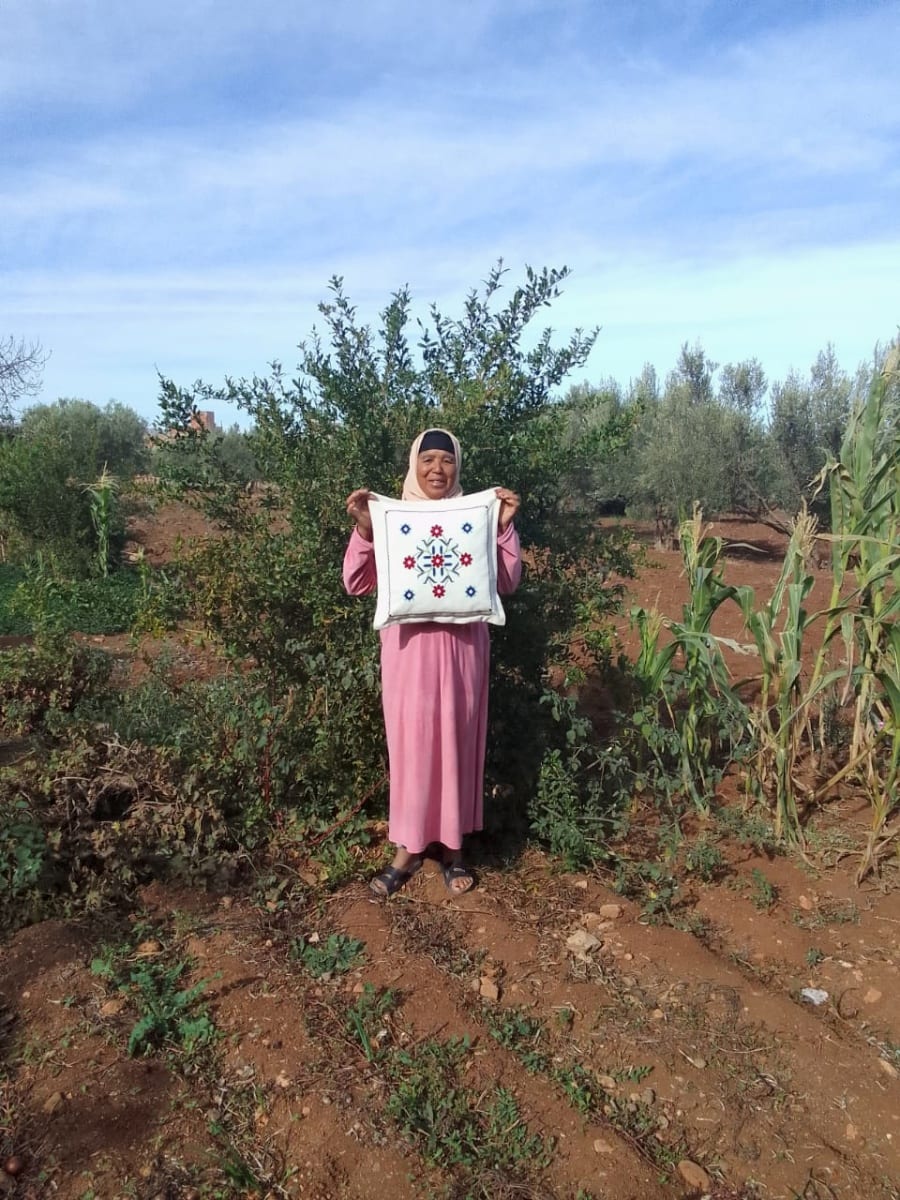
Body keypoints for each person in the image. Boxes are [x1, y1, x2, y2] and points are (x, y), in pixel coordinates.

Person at [343, 428, 522, 897]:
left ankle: (454, 850)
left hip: (463, 653)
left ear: (458, 467)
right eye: (428, 460)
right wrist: (365, 528)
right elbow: (356, 583)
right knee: (412, 747)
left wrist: (503, 527)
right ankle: (407, 850)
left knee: (458, 745)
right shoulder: (392, 520)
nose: (437, 470)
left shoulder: (475, 518)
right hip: (409, 656)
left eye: (447, 460)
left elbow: (505, 581)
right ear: (413, 465)